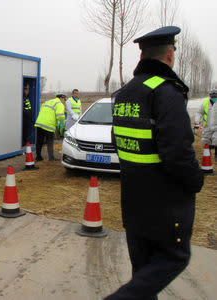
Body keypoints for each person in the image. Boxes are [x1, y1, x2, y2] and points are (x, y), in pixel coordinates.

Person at [105, 26, 204, 300]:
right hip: (164, 206)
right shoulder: (166, 93)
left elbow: (118, 140)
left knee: (144, 272)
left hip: (133, 202)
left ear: (143, 55)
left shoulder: (125, 93)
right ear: (170, 55)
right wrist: (197, 180)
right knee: (175, 257)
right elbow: (177, 153)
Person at [34, 94, 66, 161]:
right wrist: (63, 124)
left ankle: (38, 157)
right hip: (49, 125)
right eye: (64, 100)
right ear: (61, 98)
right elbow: (60, 116)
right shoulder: (59, 104)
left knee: (39, 141)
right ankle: (51, 158)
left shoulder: (47, 102)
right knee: (50, 142)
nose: (64, 101)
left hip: (39, 123)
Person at [197, 89, 217, 158]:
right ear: (210, 96)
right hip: (207, 126)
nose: (214, 97)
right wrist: (197, 120)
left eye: (215, 96)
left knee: (216, 140)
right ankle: (207, 156)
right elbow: (199, 112)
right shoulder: (205, 102)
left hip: (216, 127)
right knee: (206, 141)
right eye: (212, 96)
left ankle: (216, 155)